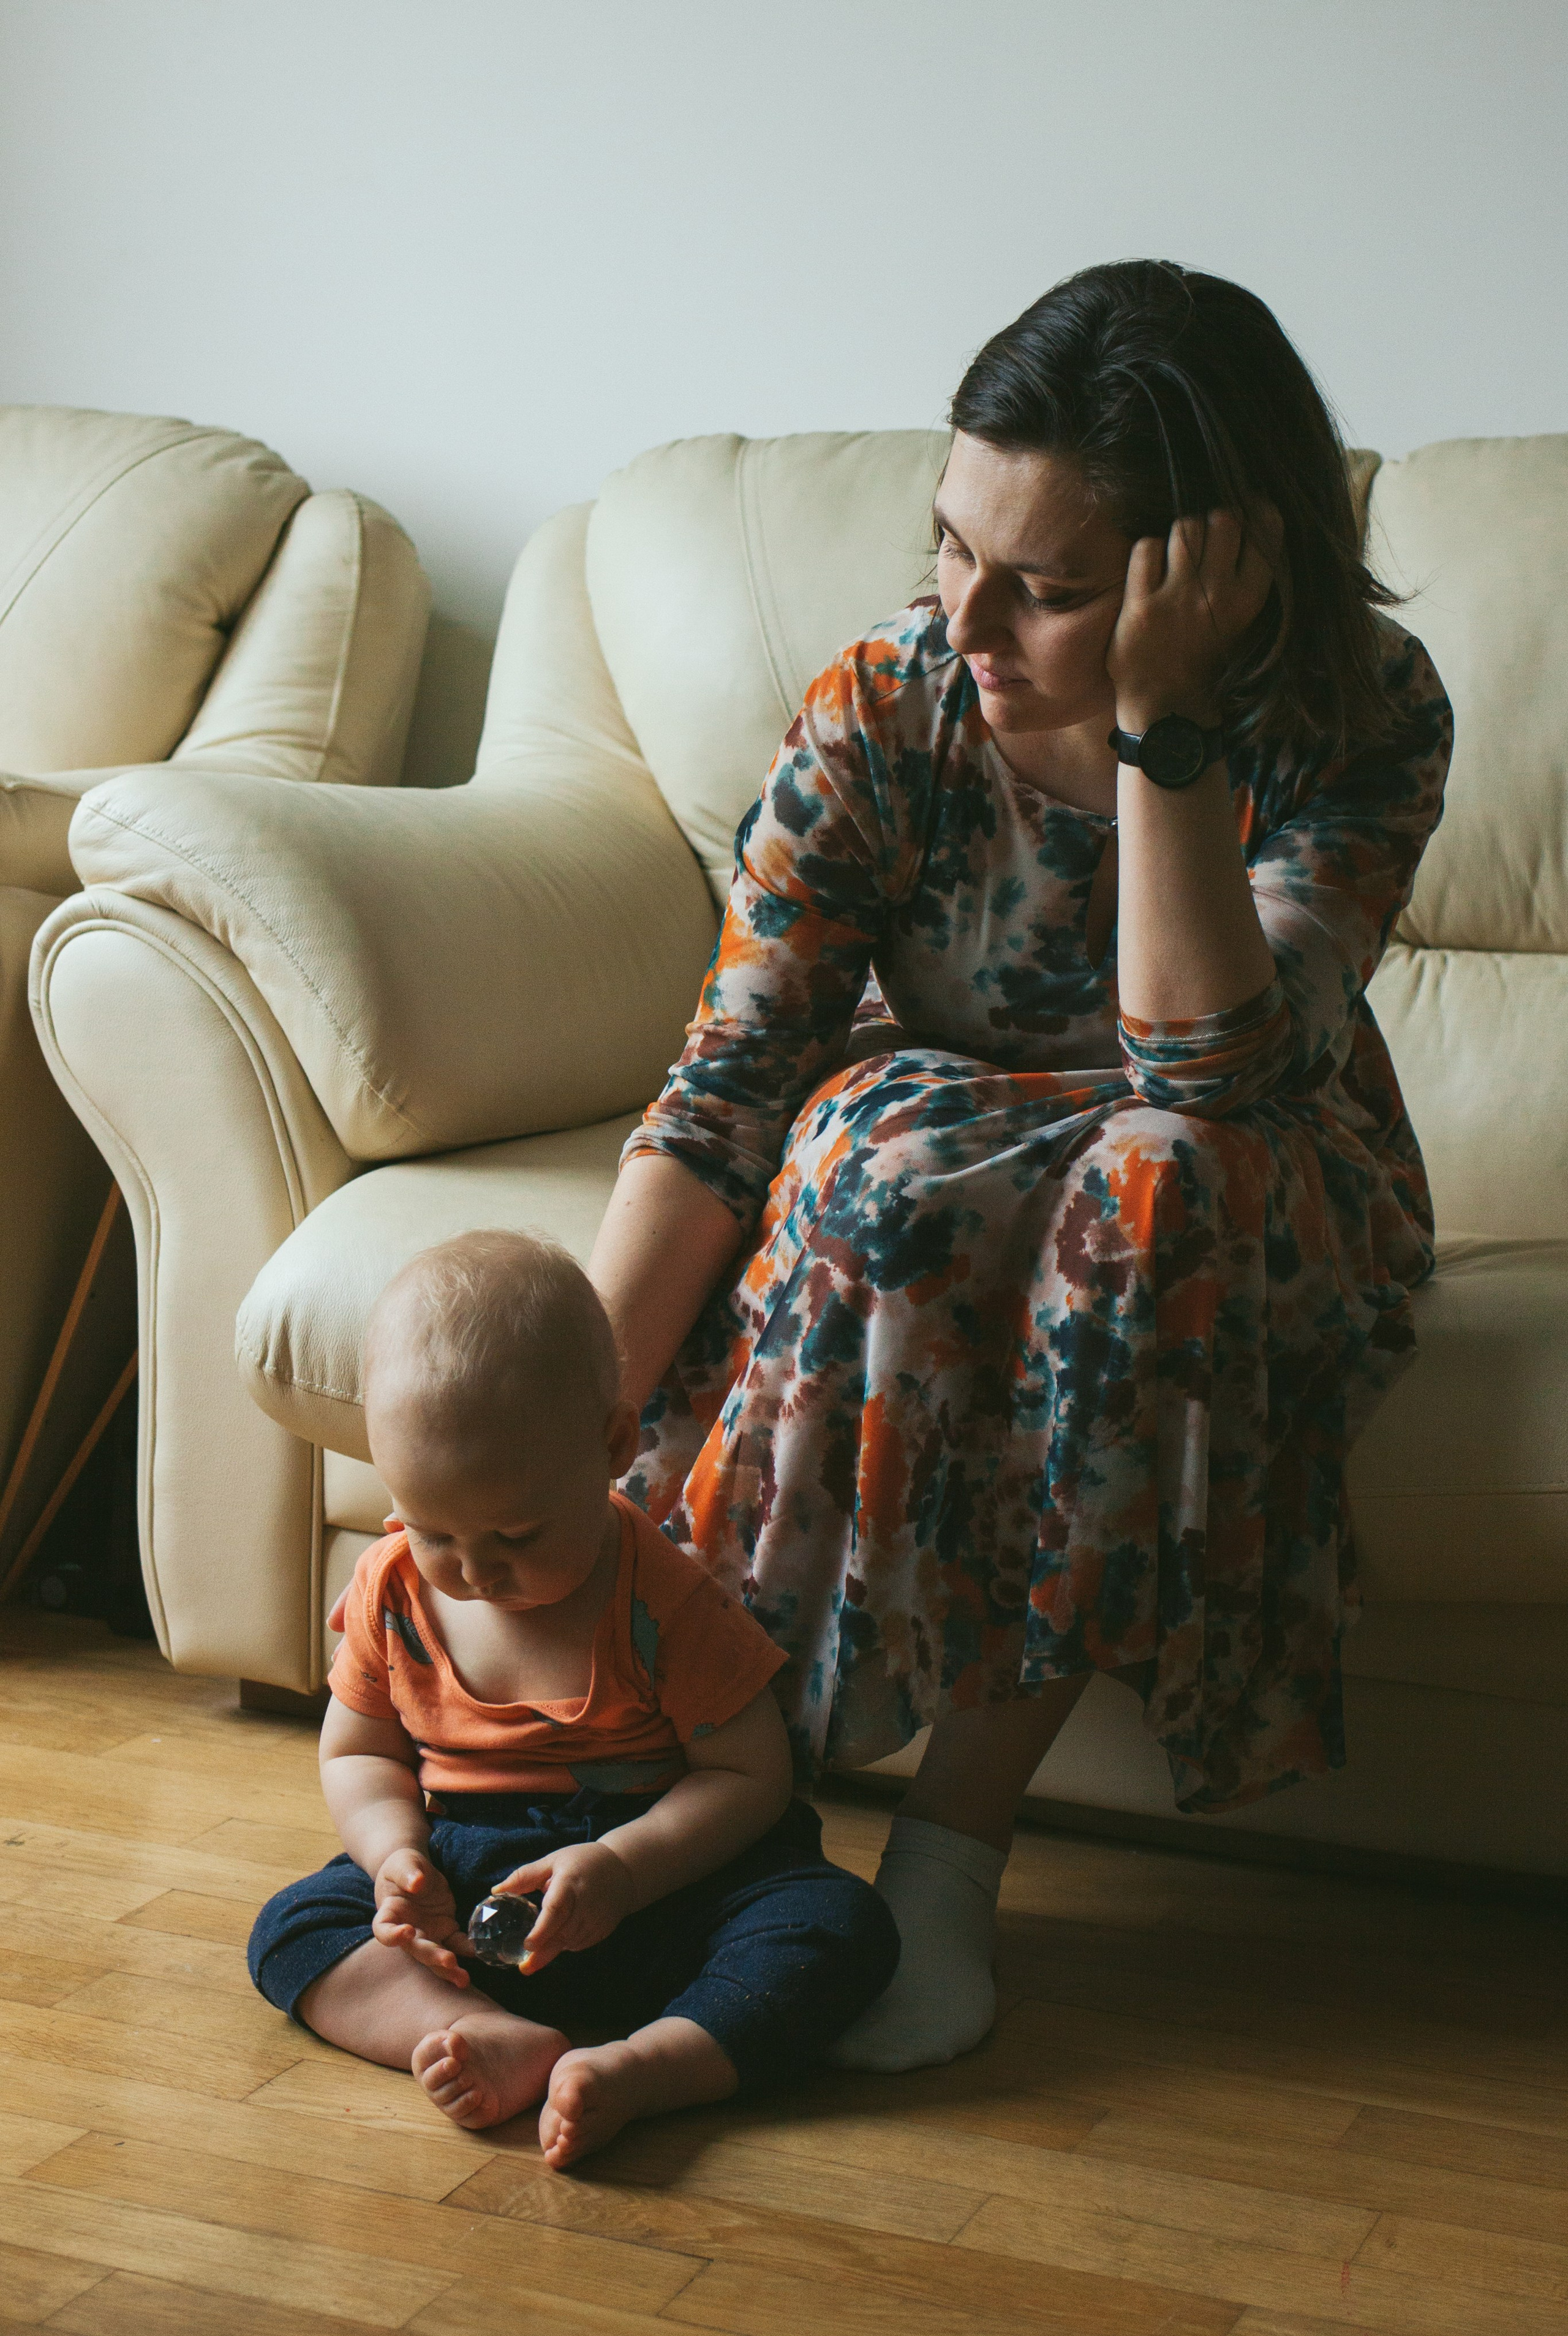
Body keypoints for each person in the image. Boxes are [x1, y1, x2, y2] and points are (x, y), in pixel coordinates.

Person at [588, 260, 1454, 2073]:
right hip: (960, 1161)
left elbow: (1209, 1067)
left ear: (1219, 569)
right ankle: (738, 1807)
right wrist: (562, 1425)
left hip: (1240, 1177)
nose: (966, 615)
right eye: (950, 544)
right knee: (871, 1156)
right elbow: (726, 1091)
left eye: (1045, 588)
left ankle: (947, 1863)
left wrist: (1160, 726)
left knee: (1152, 1181)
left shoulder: (1358, 712)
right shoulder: (885, 701)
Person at [247, 1230, 899, 2165]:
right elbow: (359, 1750)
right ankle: (475, 2028)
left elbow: (752, 1776)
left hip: (661, 1888)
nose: (474, 1571)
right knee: (295, 1928)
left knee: (837, 1926)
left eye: (514, 1534)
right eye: (434, 1530)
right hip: (468, 1886)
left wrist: (621, 1869)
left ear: (611, 1445)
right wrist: (395, 1859)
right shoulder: (392, 1588)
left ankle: (653, 2063)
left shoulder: (663, 1601)